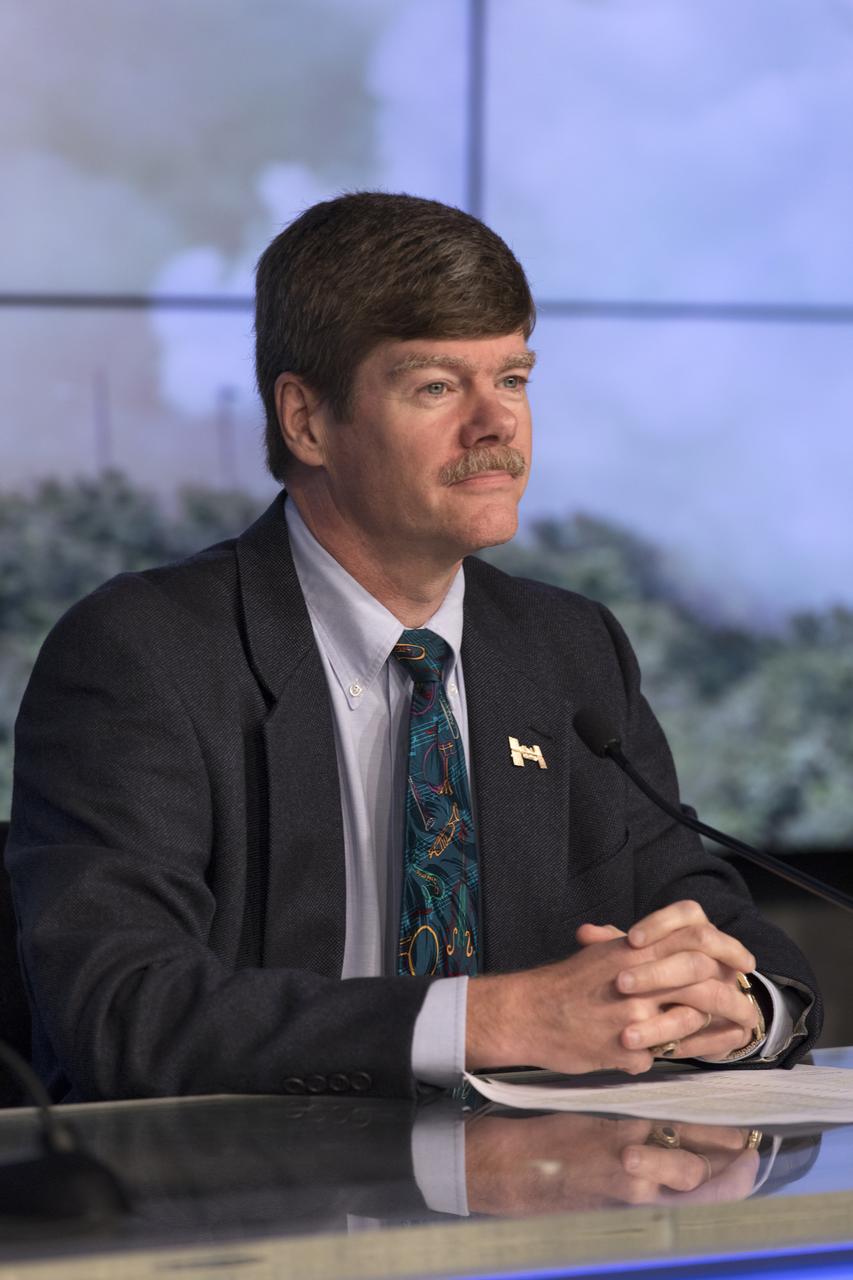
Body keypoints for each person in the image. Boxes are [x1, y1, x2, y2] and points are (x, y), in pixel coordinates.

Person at [7, 193, 819, 1103]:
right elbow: (123, 1010)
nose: (496, 425)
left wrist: (737, 1005)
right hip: (237, 1215)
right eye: (437, 386)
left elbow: (713, 916)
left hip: (534, 1213)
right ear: (306, 421)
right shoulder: (144, 655)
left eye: (511, 379)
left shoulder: (567, 649)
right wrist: (494, 1019)